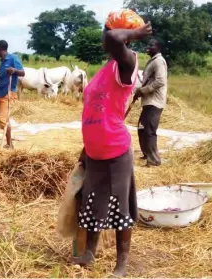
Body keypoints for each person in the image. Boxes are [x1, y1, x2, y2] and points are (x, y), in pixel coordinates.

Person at [73, 9, 151, 277]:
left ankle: (121, 265)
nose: (104, 36)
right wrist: (85, 149)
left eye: (107, 31)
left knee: (120, 207)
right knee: (92, 202)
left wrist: (133, 33)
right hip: (95, 150)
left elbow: (117, 39)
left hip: (116, 149)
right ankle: (89, 254)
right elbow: (95, 112)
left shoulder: (127, 64)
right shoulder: (104, 69)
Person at [133, 39, 167, 167]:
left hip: (155, 102)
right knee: (141, 128)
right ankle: (147, 154)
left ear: (158, 47)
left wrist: (143, 90)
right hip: (148, 101)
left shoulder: (159, 61)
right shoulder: (153, 60)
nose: (148, 47)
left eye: (151, 45)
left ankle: (154, 160)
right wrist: (139, 91)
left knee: (149, 130)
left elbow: (160, 81)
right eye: (148, 44)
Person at [0, 40, 24, 149]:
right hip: (0, 92)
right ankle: (9, 143)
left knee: (2, 120)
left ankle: (10, 144)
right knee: (5, 119)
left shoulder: (13, 58)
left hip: (9, 93)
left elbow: (22, 73)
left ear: (0, 49)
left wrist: (13, 70)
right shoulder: (2, 62)